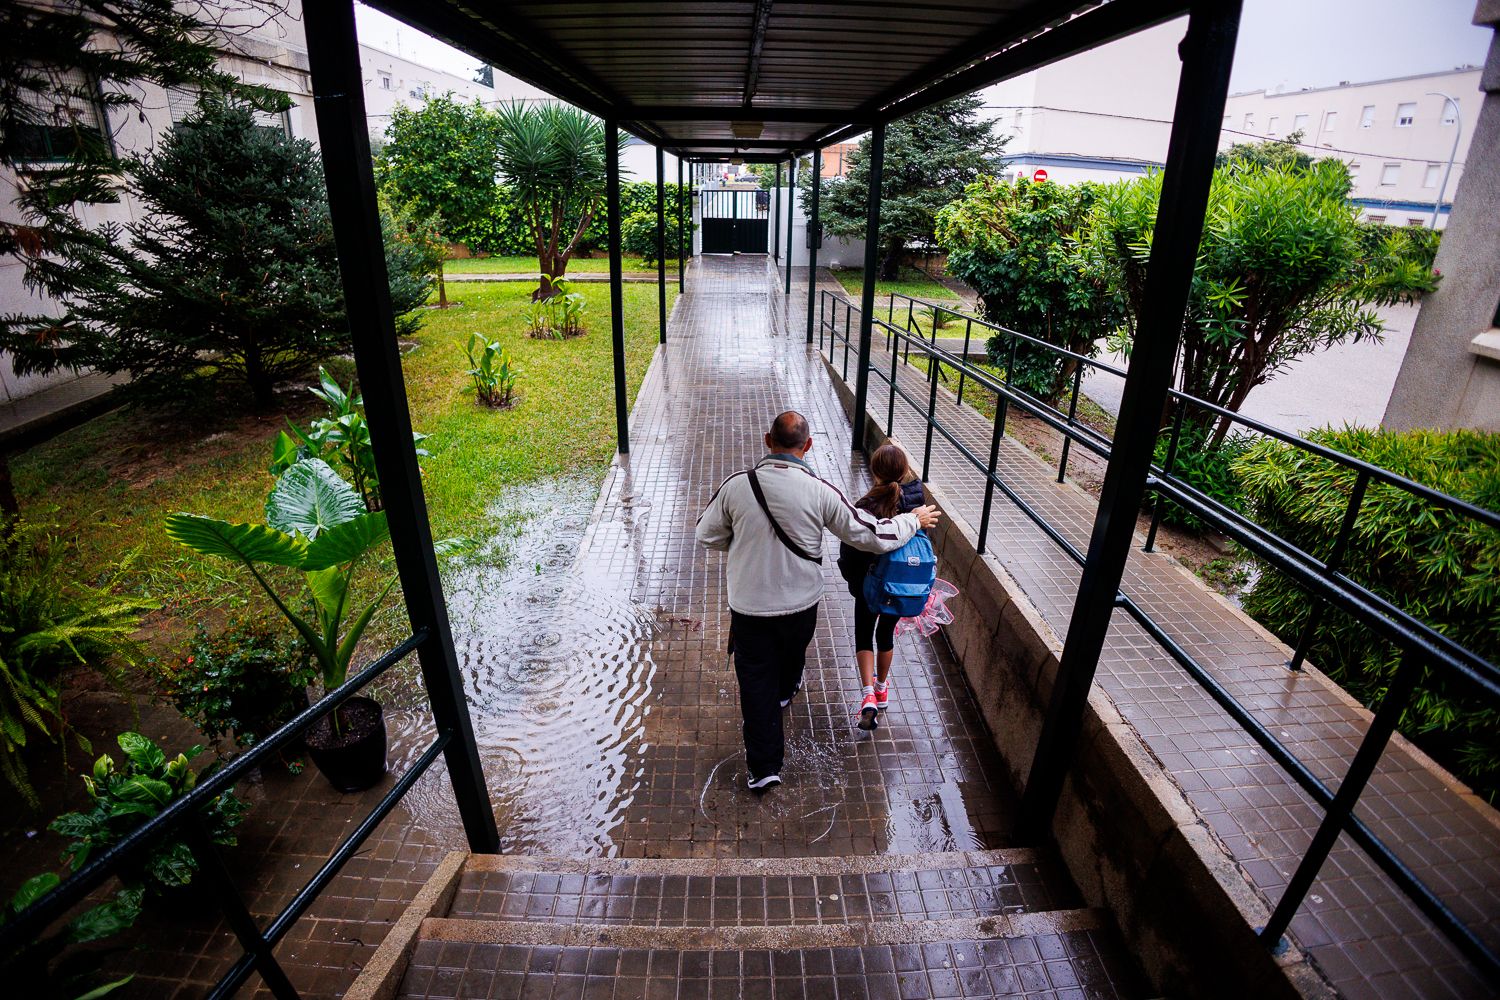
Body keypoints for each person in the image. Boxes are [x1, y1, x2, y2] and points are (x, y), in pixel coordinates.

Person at [695, 411, 942, 792]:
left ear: (767, 440)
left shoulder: (736, 486)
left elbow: (706, 535)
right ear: (807, 446)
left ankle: (764, 769)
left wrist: (744, 538)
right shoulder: (820, 490)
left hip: (750, 609)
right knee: (792, 654)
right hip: (801, 606)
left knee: (755, 681)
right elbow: (870, 534)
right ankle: (786, 688)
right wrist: (913, 520)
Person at [837, 444, 925, 731]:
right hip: (900, 585)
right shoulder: (917, 503)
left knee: (864, 636)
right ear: (904, 470)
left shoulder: (866, 506)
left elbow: (851, 550)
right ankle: (882, 686)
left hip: (870, 586)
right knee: (885, 633)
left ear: (874, 472)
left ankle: (868, 697)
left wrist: (855, 584)